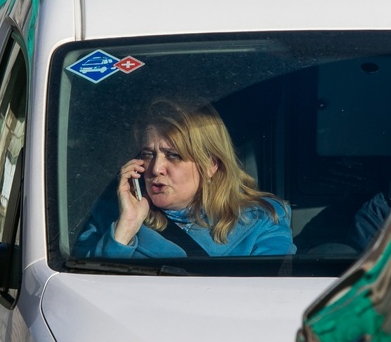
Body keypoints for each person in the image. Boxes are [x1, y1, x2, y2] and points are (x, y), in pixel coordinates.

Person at [76, 99, 296, 258]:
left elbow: (268, 298)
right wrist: (126, 228)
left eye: (173, 155)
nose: (156, 168)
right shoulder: (110, 218)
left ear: (211, 164)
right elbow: (84, 291)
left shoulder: (262, 220)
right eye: (147, 154)